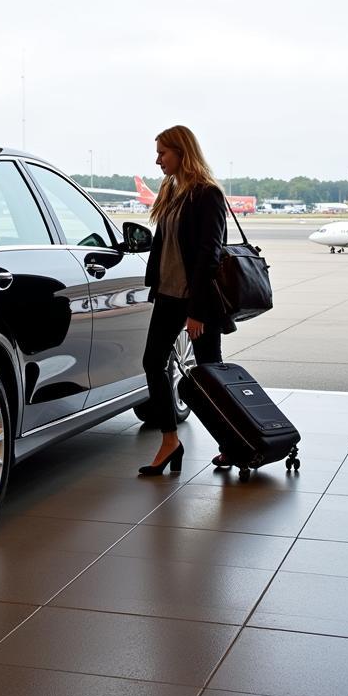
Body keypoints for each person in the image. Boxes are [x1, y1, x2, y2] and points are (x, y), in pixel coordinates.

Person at [138, 125, 230, 476]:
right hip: (168, 295)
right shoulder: (170, 190)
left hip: (196, 300)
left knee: (210, 374)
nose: (158, 159)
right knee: (153, 363)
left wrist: (198, 311)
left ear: (182, 152)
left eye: (163, 152)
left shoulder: (207, 194)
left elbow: (209, 256)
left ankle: (231, 443)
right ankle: (169, 439)